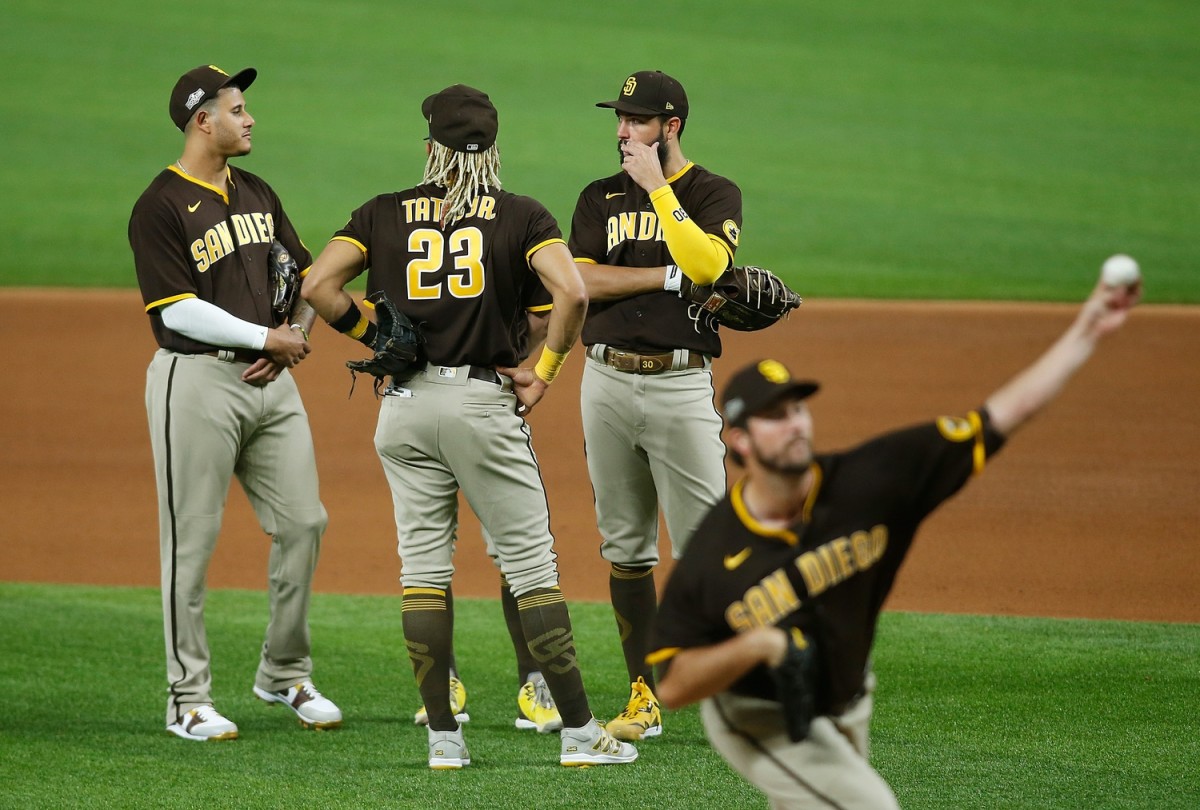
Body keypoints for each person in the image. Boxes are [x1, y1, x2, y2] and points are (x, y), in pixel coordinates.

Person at [647, 276, 1143, 807]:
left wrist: (1088, 329)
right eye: (774, 417)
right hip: (756, 716)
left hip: (847, 700)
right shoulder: (714, 552)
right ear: (740, 441)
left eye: (798, 409)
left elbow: (1000, 418)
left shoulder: (871, 483)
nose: (794, 425)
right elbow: (673, 685)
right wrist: (758, 644)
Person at [301, 84, 636, 769]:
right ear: (493, 149)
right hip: (483, 404)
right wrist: (545, 368)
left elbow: (317, 286)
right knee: (530, 570)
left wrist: (376, 334)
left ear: (432, 149)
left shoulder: (382, 214)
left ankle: (444, 741)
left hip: (404, 411)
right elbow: (571, 291)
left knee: (422, 572)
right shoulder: (521, 215)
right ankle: (578, 734)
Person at [128, 64, 342, 741]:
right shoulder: (160, 206)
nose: (249, 120)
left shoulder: (256, 191)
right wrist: (266, 337)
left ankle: (283, 672)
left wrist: (297, 336)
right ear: (203, 120)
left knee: (304, 522)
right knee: (191, 543)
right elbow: (178, 309)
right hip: (194, 383)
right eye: (238, 109)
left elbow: (305, 275)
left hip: (272, 383)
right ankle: (186, 699)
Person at [567, 69, 742, 740]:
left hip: (679, 384)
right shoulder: (597, 196)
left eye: (636, 120)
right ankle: (646, 692)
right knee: (626, 549)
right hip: (605, 382)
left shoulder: (710, 192)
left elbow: (707, 267)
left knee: (709, 549)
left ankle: (740, 682)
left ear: (670, 127)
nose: (621, 131)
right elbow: (579, 279)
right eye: (618, 118)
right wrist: (662, 276)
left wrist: (660, 192)